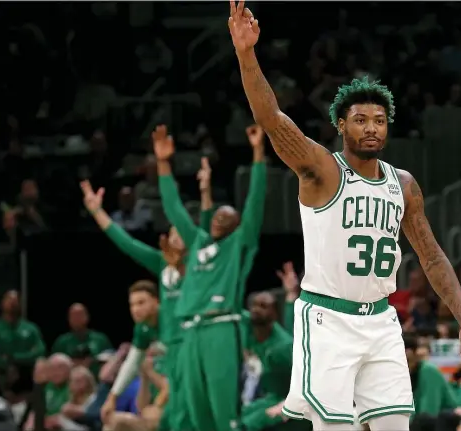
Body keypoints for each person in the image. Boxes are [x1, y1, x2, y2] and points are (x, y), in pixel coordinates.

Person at [228, 2, 461, 430]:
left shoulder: (403, 184)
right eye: (360, 119)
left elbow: (433, 256)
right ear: (341, 125)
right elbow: (271, 119)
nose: (371, 127)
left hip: (381, 320)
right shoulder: (323, 169)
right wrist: (246, 54)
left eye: (379, 120)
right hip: (329, 319)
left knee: (394, 425)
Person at [81, 155, 214, 431]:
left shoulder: (200, 263)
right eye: (172, 233)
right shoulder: (161, 263)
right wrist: (97, 212)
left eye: (180, 233)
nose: (174, 236)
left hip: (194, 344)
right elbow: (126, 243)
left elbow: (201, 227)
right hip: (171, 349)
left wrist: (205, 193)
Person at [154, 123, 267, 431]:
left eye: (226, 217)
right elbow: (175, 210)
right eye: (216, 215)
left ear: (237, 225)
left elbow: (255, 202)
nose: (218, 218)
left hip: (220, 327)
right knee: (197, 414)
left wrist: (258, 154)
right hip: (190, 330)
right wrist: (163, 164)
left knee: (223, 415)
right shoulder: (199, 243)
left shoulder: (238, 245)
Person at [99, 281, 162, 425]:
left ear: (156, 301)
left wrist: (158, 404)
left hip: (180, 397)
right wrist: (112, 398)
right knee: (114, 423)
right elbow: (131, 363)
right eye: (132, 305)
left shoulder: (170, 323)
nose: (135, 309)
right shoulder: (142, 329)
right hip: (158, 402)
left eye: (141, 303)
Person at [241, 292, 299, 431]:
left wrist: (286, 404)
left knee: (248, 424)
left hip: (287, 399)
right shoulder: (247, 327)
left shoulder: (283, 347)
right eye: (253, 305)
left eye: (263, 306)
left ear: (274, 314)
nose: (256, 309)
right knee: (235, 417)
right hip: (267, 394)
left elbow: (307, 380)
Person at [52, 303, 112, 376]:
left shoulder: (101, 340)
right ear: (68, 319)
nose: (77, 319)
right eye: (73, 316)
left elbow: (111, 361)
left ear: (87, 317)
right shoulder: (61, 342)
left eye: (80, 315)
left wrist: (92, 361)